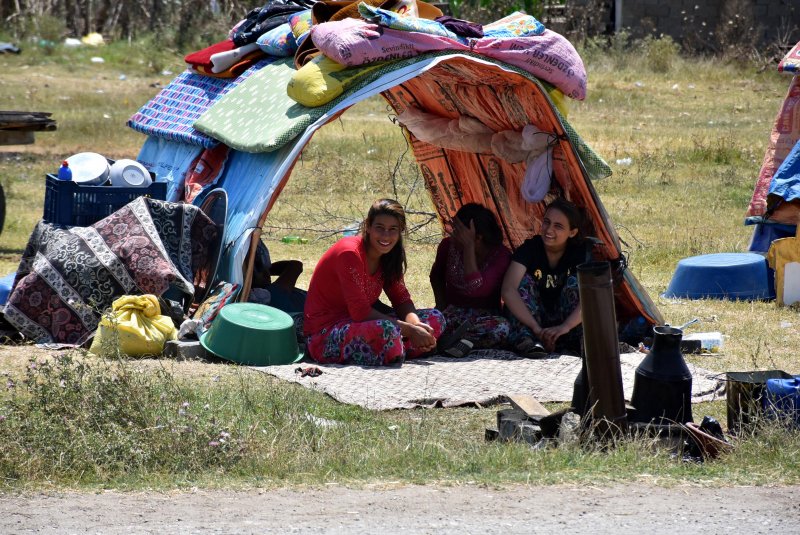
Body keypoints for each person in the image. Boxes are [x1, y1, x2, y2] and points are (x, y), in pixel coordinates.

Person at [303, 198, 445, 366]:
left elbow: (401, 299)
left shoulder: (389, 255)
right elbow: (360, 312)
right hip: (325, 333)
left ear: (401, 231)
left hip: (361, 325)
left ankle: (397, 349)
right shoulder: (349, 253)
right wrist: (410, 331)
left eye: (393, 229)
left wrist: (416, 325)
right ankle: (404, 347)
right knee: (387, 330)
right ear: (368, 227)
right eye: (380, 228)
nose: (386, 236)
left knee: (435, 318)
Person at [501, 198, 589, 356]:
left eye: (558, 226)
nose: (549, 230)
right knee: (523, 282)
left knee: (577, 283)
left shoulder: (580, 253)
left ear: (572, 232)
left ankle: (578, 343)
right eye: (546, 222)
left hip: (567, 324)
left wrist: (565, 327)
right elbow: (508, 289)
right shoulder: (530, 248)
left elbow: (592, 297)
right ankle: (528, 342)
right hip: (533, 322)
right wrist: (536, 328)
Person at [429, 203, 512, 352]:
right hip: (453, 314)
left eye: (458, 232)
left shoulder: (501, 256)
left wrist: (468, 247)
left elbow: (475, 288)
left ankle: (460, 341)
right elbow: (436, 276)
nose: (452, 235)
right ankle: (458, 341)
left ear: (478, 237)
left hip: (486, 318)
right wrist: (441, 306)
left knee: (502, 327)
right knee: (428, 321)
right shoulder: (447, 246)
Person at [248, 240, 307, 315]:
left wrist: (264, 270)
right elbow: (296, 265)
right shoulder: (273, 294)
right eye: (261, 271)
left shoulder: (261, 298)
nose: (265, 273)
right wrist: (268, 269)